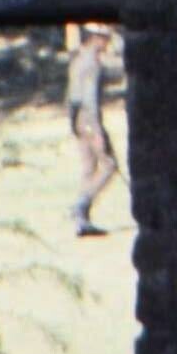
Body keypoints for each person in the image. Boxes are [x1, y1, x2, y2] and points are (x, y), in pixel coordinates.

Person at [62, 15, 122, 236]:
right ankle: (80, 205)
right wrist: (97, 130)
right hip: (89, 119)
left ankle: (83, 222)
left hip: (78, 120)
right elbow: (90, 99)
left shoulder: (77, 59)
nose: (107, 42)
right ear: (96, 38)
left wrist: (74, 125)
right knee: (109, 165)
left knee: (89, 168)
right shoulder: (92, 64)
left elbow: (71, 97)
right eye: (105, 37)